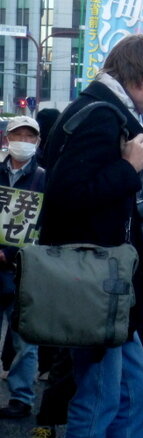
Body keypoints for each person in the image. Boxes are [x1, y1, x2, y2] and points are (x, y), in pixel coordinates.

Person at [38, 33, 143, 438]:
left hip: (106, 280)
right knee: (100, 398)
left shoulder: (101, 110)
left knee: (136, 390)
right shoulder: (101, 115)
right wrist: (129, 168)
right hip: (95, 283)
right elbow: (67, 194)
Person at [0, 116, 46, 419]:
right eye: (19, 135)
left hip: (25, 268)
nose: (24, 141)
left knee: (25, 338)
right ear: (7, 138)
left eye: (31, 137)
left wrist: (11, 253)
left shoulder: (44, 178)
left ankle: (21, 398)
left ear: (38, 142)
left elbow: (43, 224)